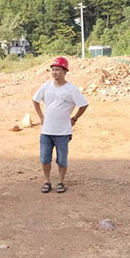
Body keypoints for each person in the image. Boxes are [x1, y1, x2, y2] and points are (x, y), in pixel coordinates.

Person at [32, 57, 88, 194]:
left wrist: (74, 118)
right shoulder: (46, 87)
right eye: (53, 70)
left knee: (62, 159)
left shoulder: (71, 89)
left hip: (63, 132)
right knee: (44, 158)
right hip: (46, 130)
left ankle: (61, 182)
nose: (54, 73)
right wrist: (41, 116)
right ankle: (47, 181)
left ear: (64, 71)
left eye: (57, 70)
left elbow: (83, 104)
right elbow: (35, 100)